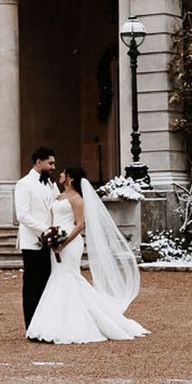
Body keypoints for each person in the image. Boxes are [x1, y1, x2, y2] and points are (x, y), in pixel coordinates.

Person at [26, 166, 149, 344]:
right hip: (57, 241)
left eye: (63, 173)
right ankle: (56, 322)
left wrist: (64, 242)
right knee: (58, 276)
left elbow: (80, 224)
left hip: (69, 242)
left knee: (69, 277)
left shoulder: (77, 199)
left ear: (70, 179)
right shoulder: (58, 195)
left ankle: (76, 324)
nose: (60, 174)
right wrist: (51, 238)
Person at [13, 146, 59, 332]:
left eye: (53, 163)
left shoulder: (51, 184)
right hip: (32, 242)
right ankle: (31, 326)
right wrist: (45, 230)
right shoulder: (23, 184)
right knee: (33, 284)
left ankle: (46, 324)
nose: (53, 166)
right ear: (38, 162)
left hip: (51, 241)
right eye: (50, 163)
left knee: (49, 282)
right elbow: (22, 215)